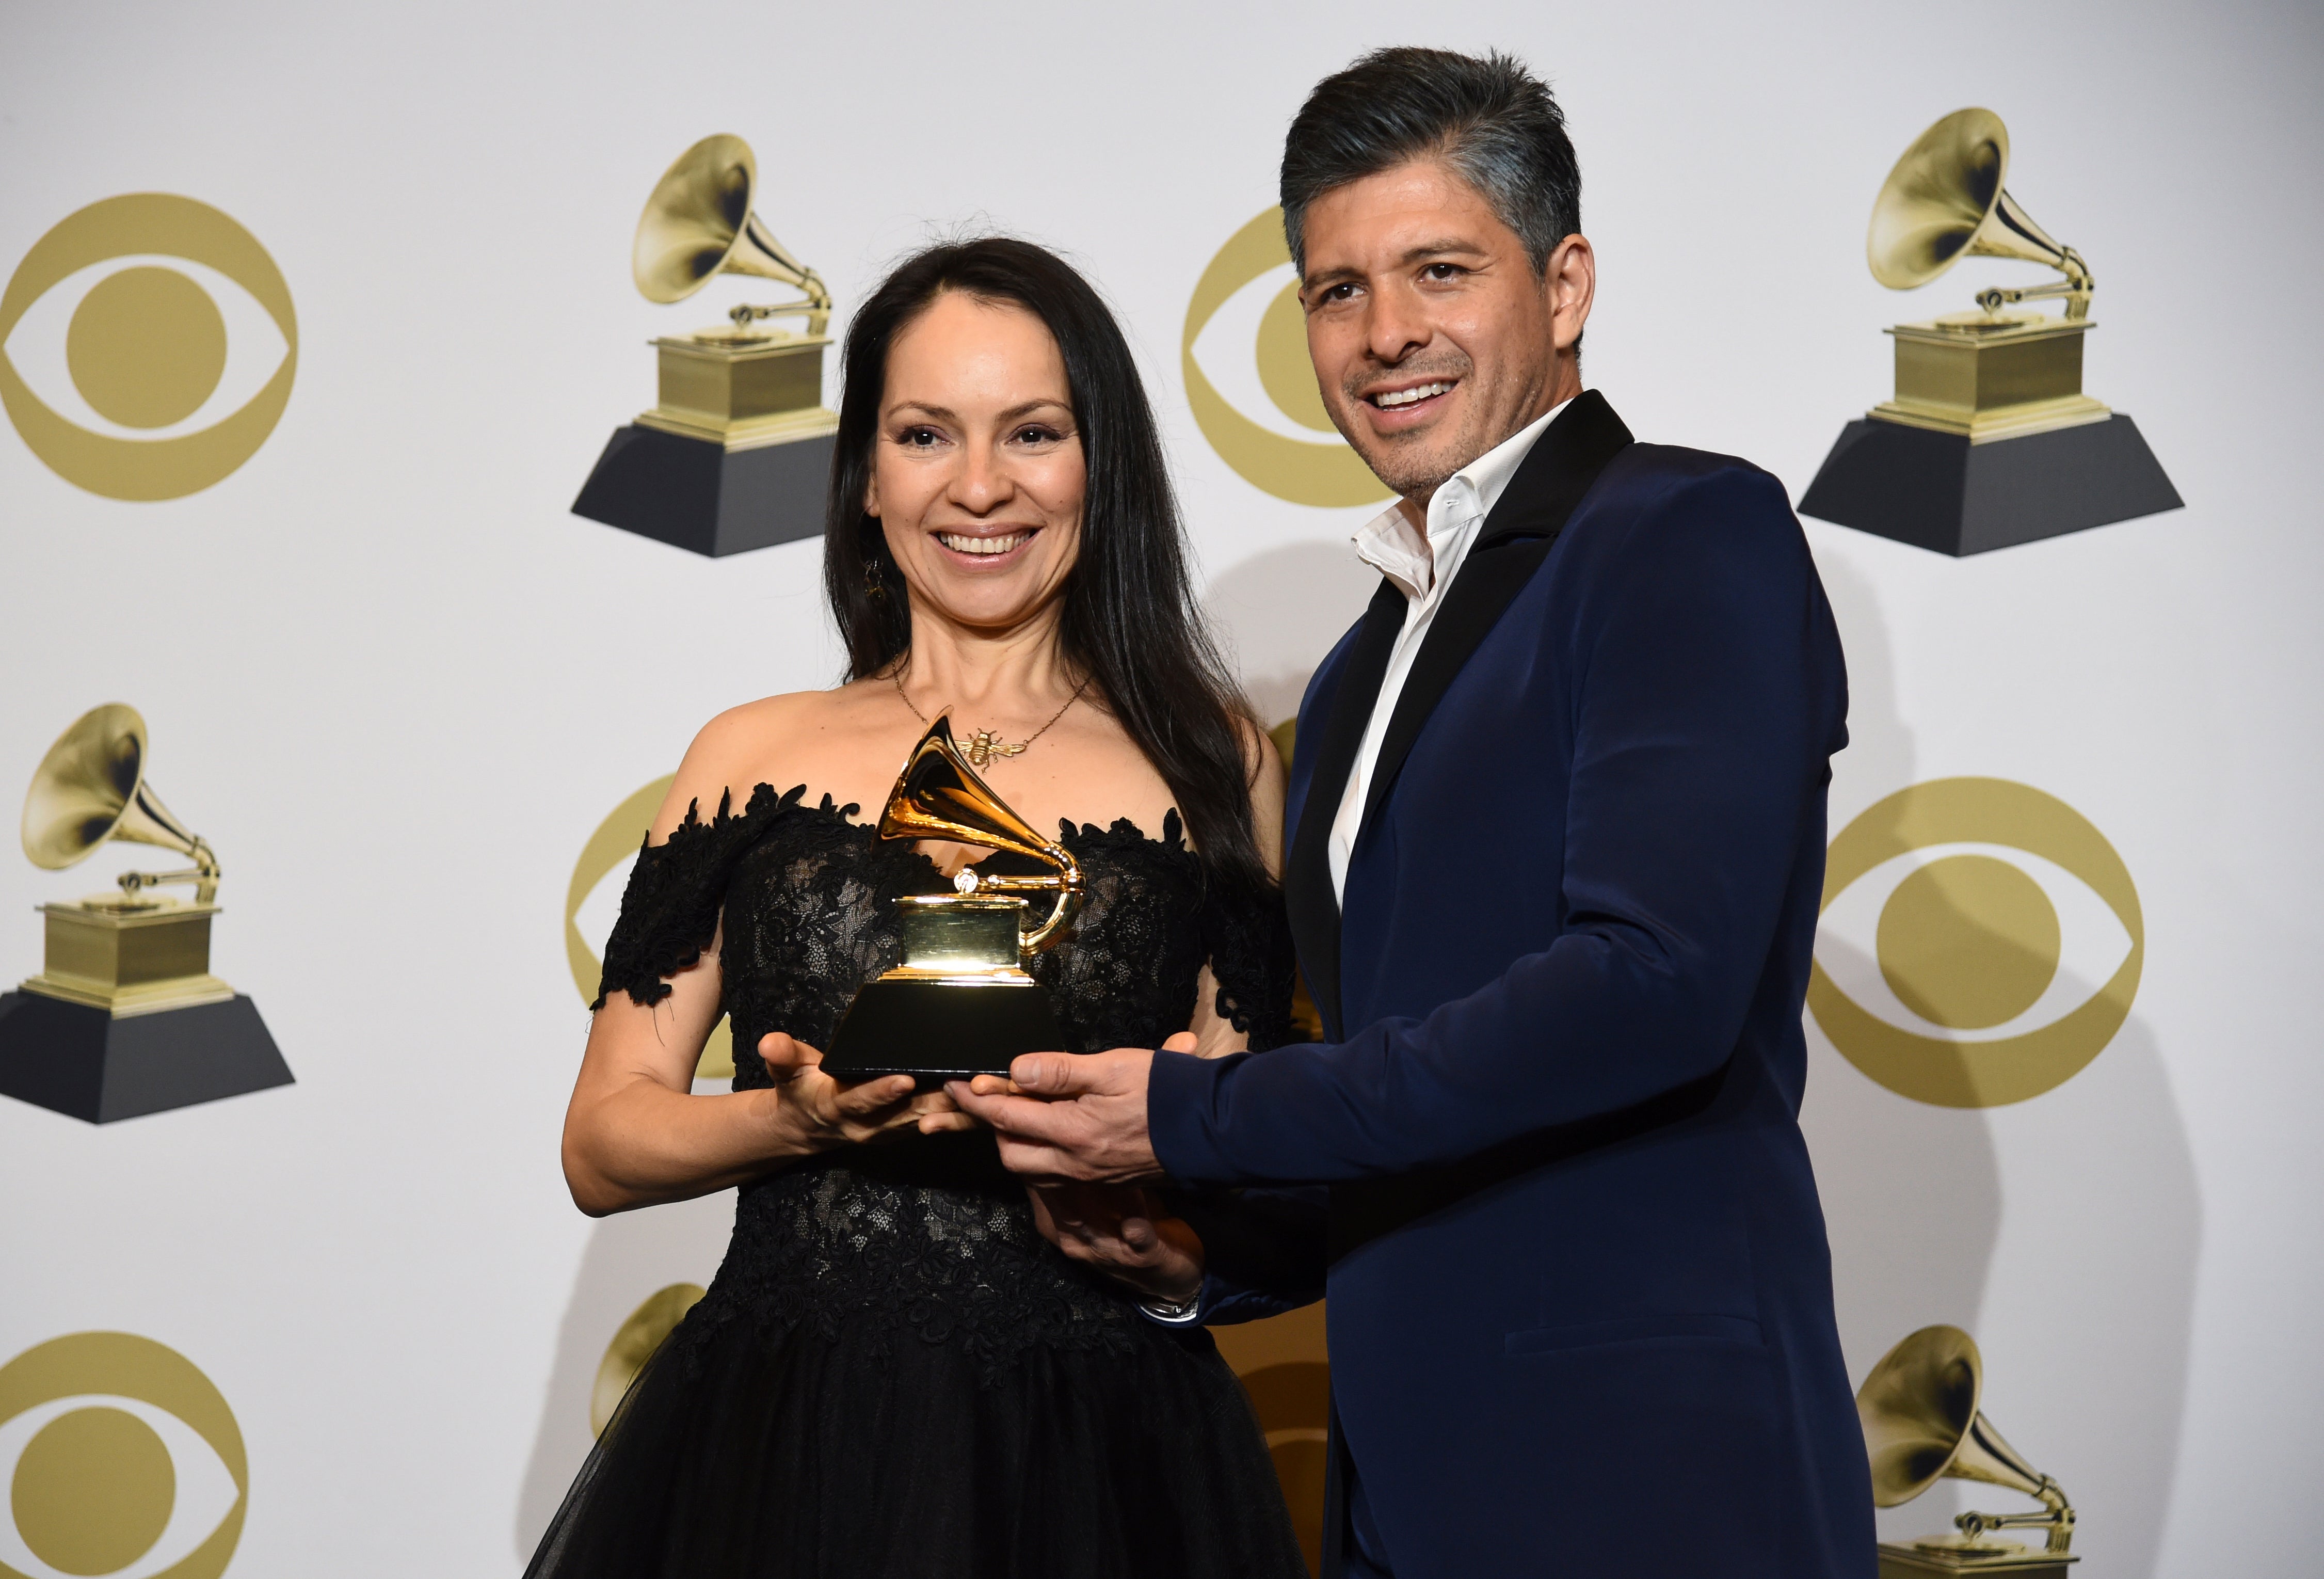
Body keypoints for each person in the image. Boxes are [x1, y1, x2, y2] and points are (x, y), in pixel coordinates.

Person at [951, 48, 1877, 1579]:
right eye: (1336, 290)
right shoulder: (1367, 662)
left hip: (1650, 1472)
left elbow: (1652, 987)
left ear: (1564, 284)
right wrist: (1205, 1257)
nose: (1386, 335)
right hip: (1404, 1489)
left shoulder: (1684, 529)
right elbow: (1423, 1091)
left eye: (1440, 270)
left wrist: (1193, 1113)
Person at [530, 236, 1308, 1579]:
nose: (982, 484)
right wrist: (792, 1120)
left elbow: (1241, 1134)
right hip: (785, 1438)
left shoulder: (1217, 763)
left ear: (1098, 463)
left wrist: (1166, 1246)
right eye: (926, 433)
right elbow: (604, 1140)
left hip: (1106, 1458)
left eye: (1034, 432)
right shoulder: (750, 755)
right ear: (868, 478)